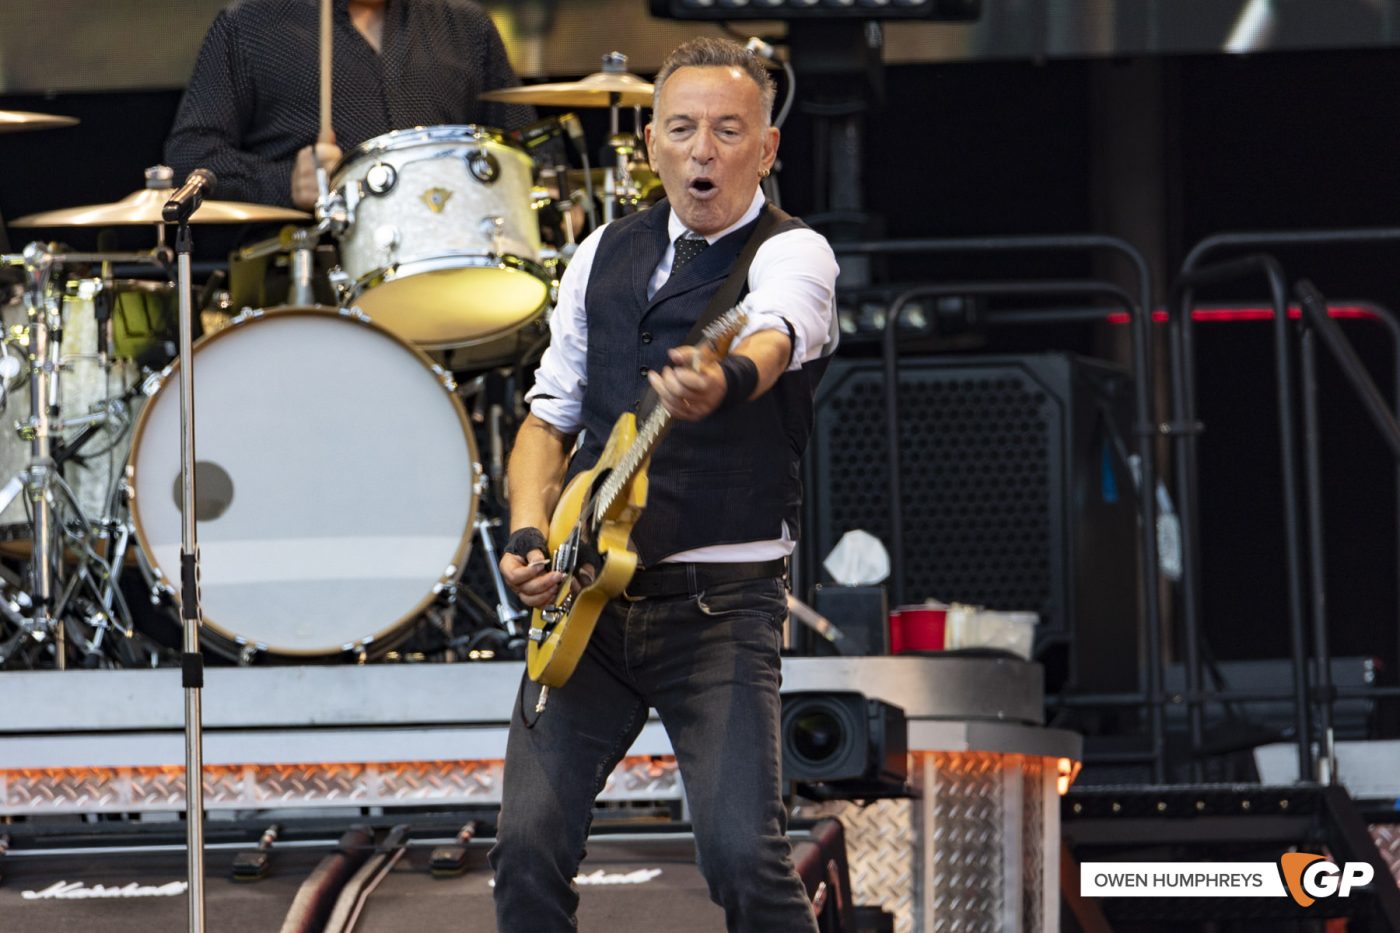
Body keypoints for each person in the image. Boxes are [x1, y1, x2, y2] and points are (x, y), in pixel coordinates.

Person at [490, 37, 839, 932]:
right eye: (683, 128)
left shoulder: (792, 252)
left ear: (765, 150)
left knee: (744, 861)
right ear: (651, 145)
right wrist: (529, 531)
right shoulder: (602, 251)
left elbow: (775, 332)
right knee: (524, 852)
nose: (704, 149)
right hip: (586, 602)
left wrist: (722, 382)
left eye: (729, 130)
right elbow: (545, 421)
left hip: (719, 607)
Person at [164, 0, 533, 209]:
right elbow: (190, 154)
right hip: (309, 275)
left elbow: (529, 148)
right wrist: (284, 183)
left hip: (456, 260)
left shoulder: (467, 27)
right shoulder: (250, 26)